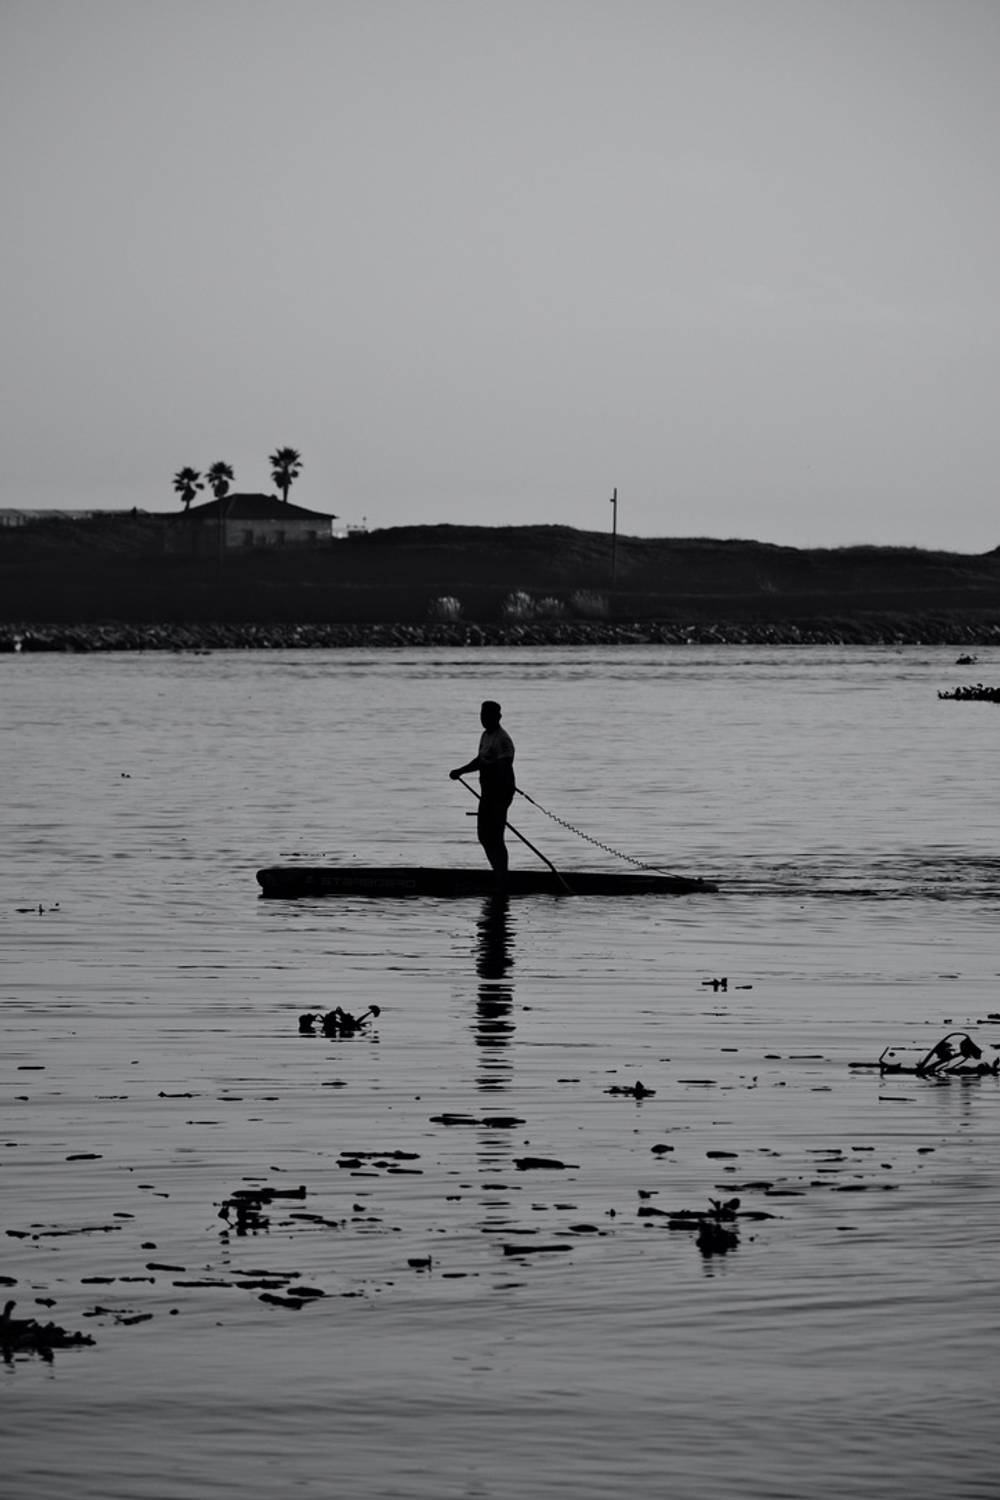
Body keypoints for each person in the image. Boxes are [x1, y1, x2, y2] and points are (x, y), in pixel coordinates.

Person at [450, 701, 516, 878]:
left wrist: (499, 798)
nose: (483, 719)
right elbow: (481, 760)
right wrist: (460, 771)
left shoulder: (502, 740)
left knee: (495, 837)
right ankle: (498, 872)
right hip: (487, 794)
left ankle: (502, 877)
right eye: (482, 715)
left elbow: (505, 766)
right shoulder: (485, 736)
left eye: (487, 716)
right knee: (484, 837)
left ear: (498, 717)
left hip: (500, 793)